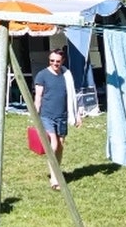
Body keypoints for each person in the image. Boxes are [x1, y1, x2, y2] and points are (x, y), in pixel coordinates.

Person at [34, 48, 81, 190]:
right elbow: (38, 97)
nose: (55, 63)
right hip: (46, 116)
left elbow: (72, 97)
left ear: (63, 61)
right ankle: (54, 179)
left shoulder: (66, 75)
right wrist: (36, 115)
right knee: (53, 145)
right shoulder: (42, 75)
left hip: (62, 116)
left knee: (60, 145)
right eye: (52, 61)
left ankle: (56, 171)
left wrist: (77, 114)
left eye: (58, 61)